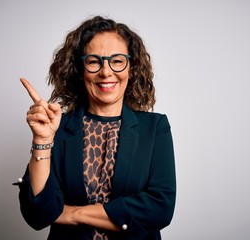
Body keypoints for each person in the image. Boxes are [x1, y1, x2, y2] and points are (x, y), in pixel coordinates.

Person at [16, 16, 176, 240]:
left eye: (117, 60)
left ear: (132, 68)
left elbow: (161, 209)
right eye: (94, 61)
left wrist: (74, 213)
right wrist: (42, 141)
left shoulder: (154, 128)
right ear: (80, 70)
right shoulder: (57, 129)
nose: (106, 71)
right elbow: (38, 214)